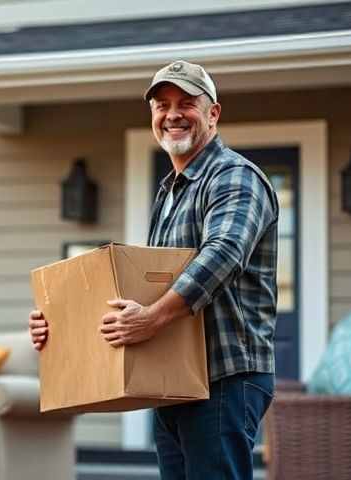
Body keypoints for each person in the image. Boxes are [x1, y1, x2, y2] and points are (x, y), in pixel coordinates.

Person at [28, 60, 279, 480]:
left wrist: (152, 318)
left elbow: (224, 253)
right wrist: (59, 324)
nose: (172, 114)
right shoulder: (169, 192)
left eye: (187, 103)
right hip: (176, 378)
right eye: (162, 105)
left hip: (225, 378)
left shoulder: (234, 177)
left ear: (213, 113)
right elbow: (145, 282)